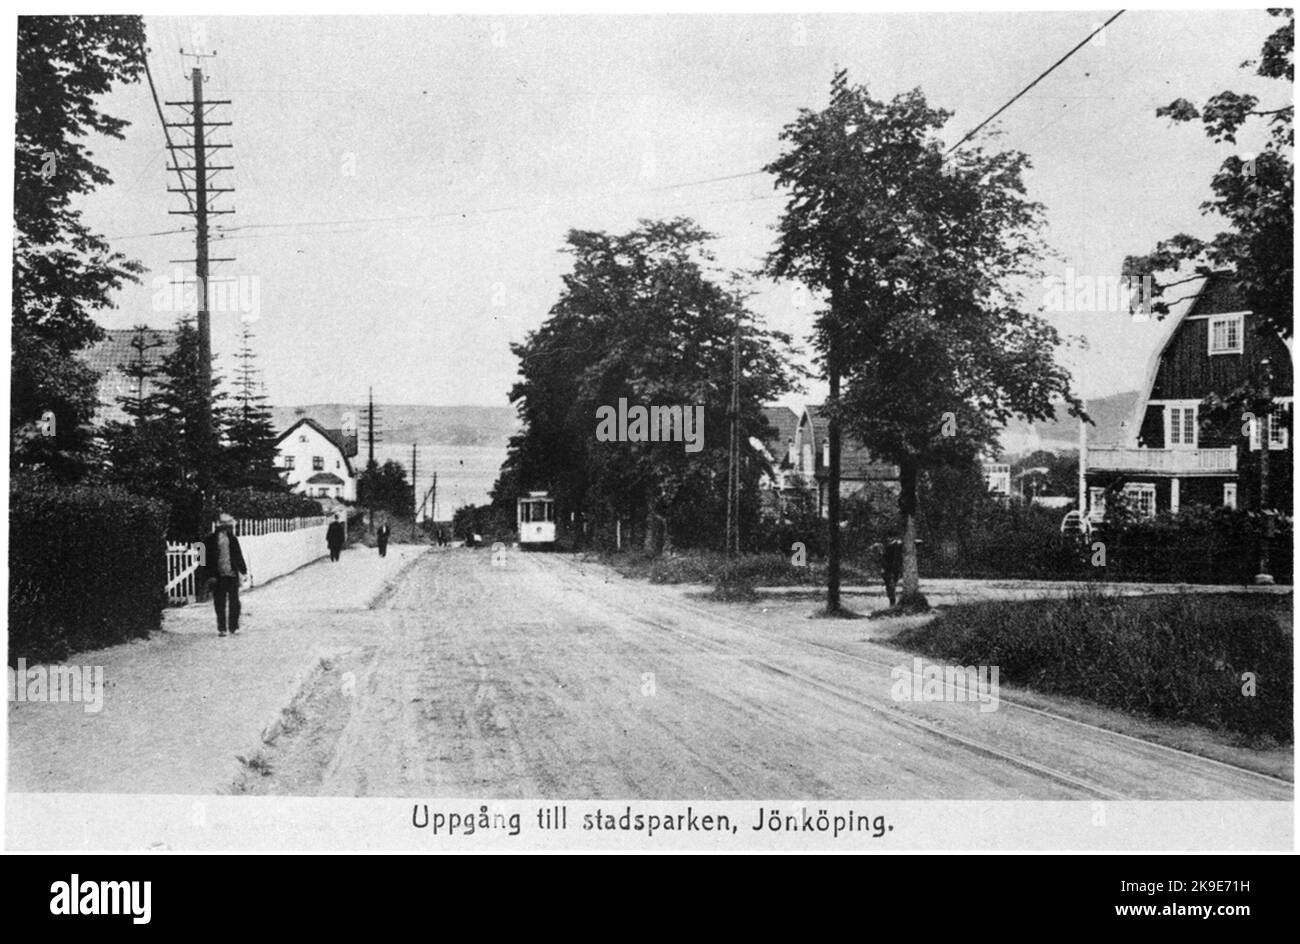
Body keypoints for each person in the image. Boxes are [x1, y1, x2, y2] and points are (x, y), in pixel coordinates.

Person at [203, 514, 248, 637]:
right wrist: (207, 574)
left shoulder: (232, 539)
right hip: (218, 576)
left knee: (234, 602)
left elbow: (238, 555)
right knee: (219, 602)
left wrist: (243, 570)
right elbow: (202, 559)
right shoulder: (209, 540)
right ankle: (222, 627)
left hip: (231, 574)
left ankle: (233, 626)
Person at [882, 537, 903, 607]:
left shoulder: (889, 547)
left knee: (890, 586)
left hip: (892, 569)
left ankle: (892, 603)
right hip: (891, 569)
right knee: (891, 586)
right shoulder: (891, 547)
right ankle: (892, 602)